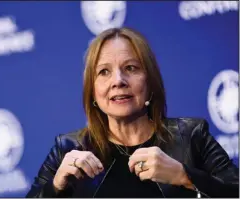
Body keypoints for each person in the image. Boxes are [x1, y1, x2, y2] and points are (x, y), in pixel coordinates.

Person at [25, 27, 239, 198]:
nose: (118, 81)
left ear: (150, 82)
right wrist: (54, 188)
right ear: (92, 91)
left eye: (130, 68)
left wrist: (184, 176)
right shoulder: (67, 149)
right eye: (104, 72)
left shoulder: (192, 136)